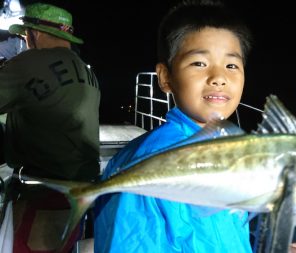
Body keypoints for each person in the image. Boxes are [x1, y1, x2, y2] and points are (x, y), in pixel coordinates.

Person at [94, 1, 254, 252]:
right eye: (199, 63)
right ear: (165, 77)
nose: (219, 77)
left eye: (231, 65)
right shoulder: (147, 167)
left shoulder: (227, 149)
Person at [1, 2, 100, 252]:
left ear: (35, 33)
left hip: (40, 193)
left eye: (25, 34)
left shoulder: (29, 62)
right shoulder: (86, 71)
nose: (24, 39)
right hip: (78, 192)